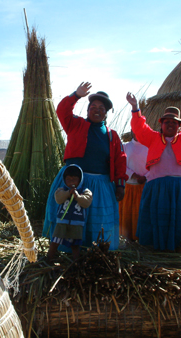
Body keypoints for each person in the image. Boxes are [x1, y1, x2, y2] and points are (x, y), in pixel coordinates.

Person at [42, 82, 128, 251]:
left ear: (106, 112)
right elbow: (62, 111)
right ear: (88, 110)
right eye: (93, 106)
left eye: (102, 108)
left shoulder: (112, 136)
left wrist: (120, 185)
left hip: (101, 184)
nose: (97, 110)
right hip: (73, 181)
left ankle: (96, 251)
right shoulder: (76, 125)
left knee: (97, 218)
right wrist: (76, 95)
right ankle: (68, 251)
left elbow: (120, 160)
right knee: (68, 216)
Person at [126, 90, 181, 251]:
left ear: (179, 126)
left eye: (174, 122)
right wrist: (135, 107)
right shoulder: (153, 138)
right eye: (167, 122)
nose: (170, 124)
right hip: (159, 188)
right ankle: (159, 245)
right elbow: (139, 127)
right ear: (161, 125)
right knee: (160, 218)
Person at [47, 165, 93, 260]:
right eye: (68, 179)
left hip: (77, 223)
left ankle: (76, 263)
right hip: (62, 222)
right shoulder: (62, 190)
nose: (71, 182)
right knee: (55, 241)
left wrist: (78, 197)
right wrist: (68, 193)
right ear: (64, 180)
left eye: (74, 179)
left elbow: (87, 202)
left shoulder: (85, 191)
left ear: (80, 179)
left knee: (75, 245)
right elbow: (58, 199)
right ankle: (49, 258)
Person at [119, 131, 148, 241]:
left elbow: (154, 164)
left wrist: (145, 177)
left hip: (144, 187)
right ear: (132, 132)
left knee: (140, 214)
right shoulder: (125, 147)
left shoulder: (149, 148)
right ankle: (126, 239)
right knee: (127, 213)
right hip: (129, 186)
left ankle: (141, 239)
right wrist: (134, 175)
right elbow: (121, 164)